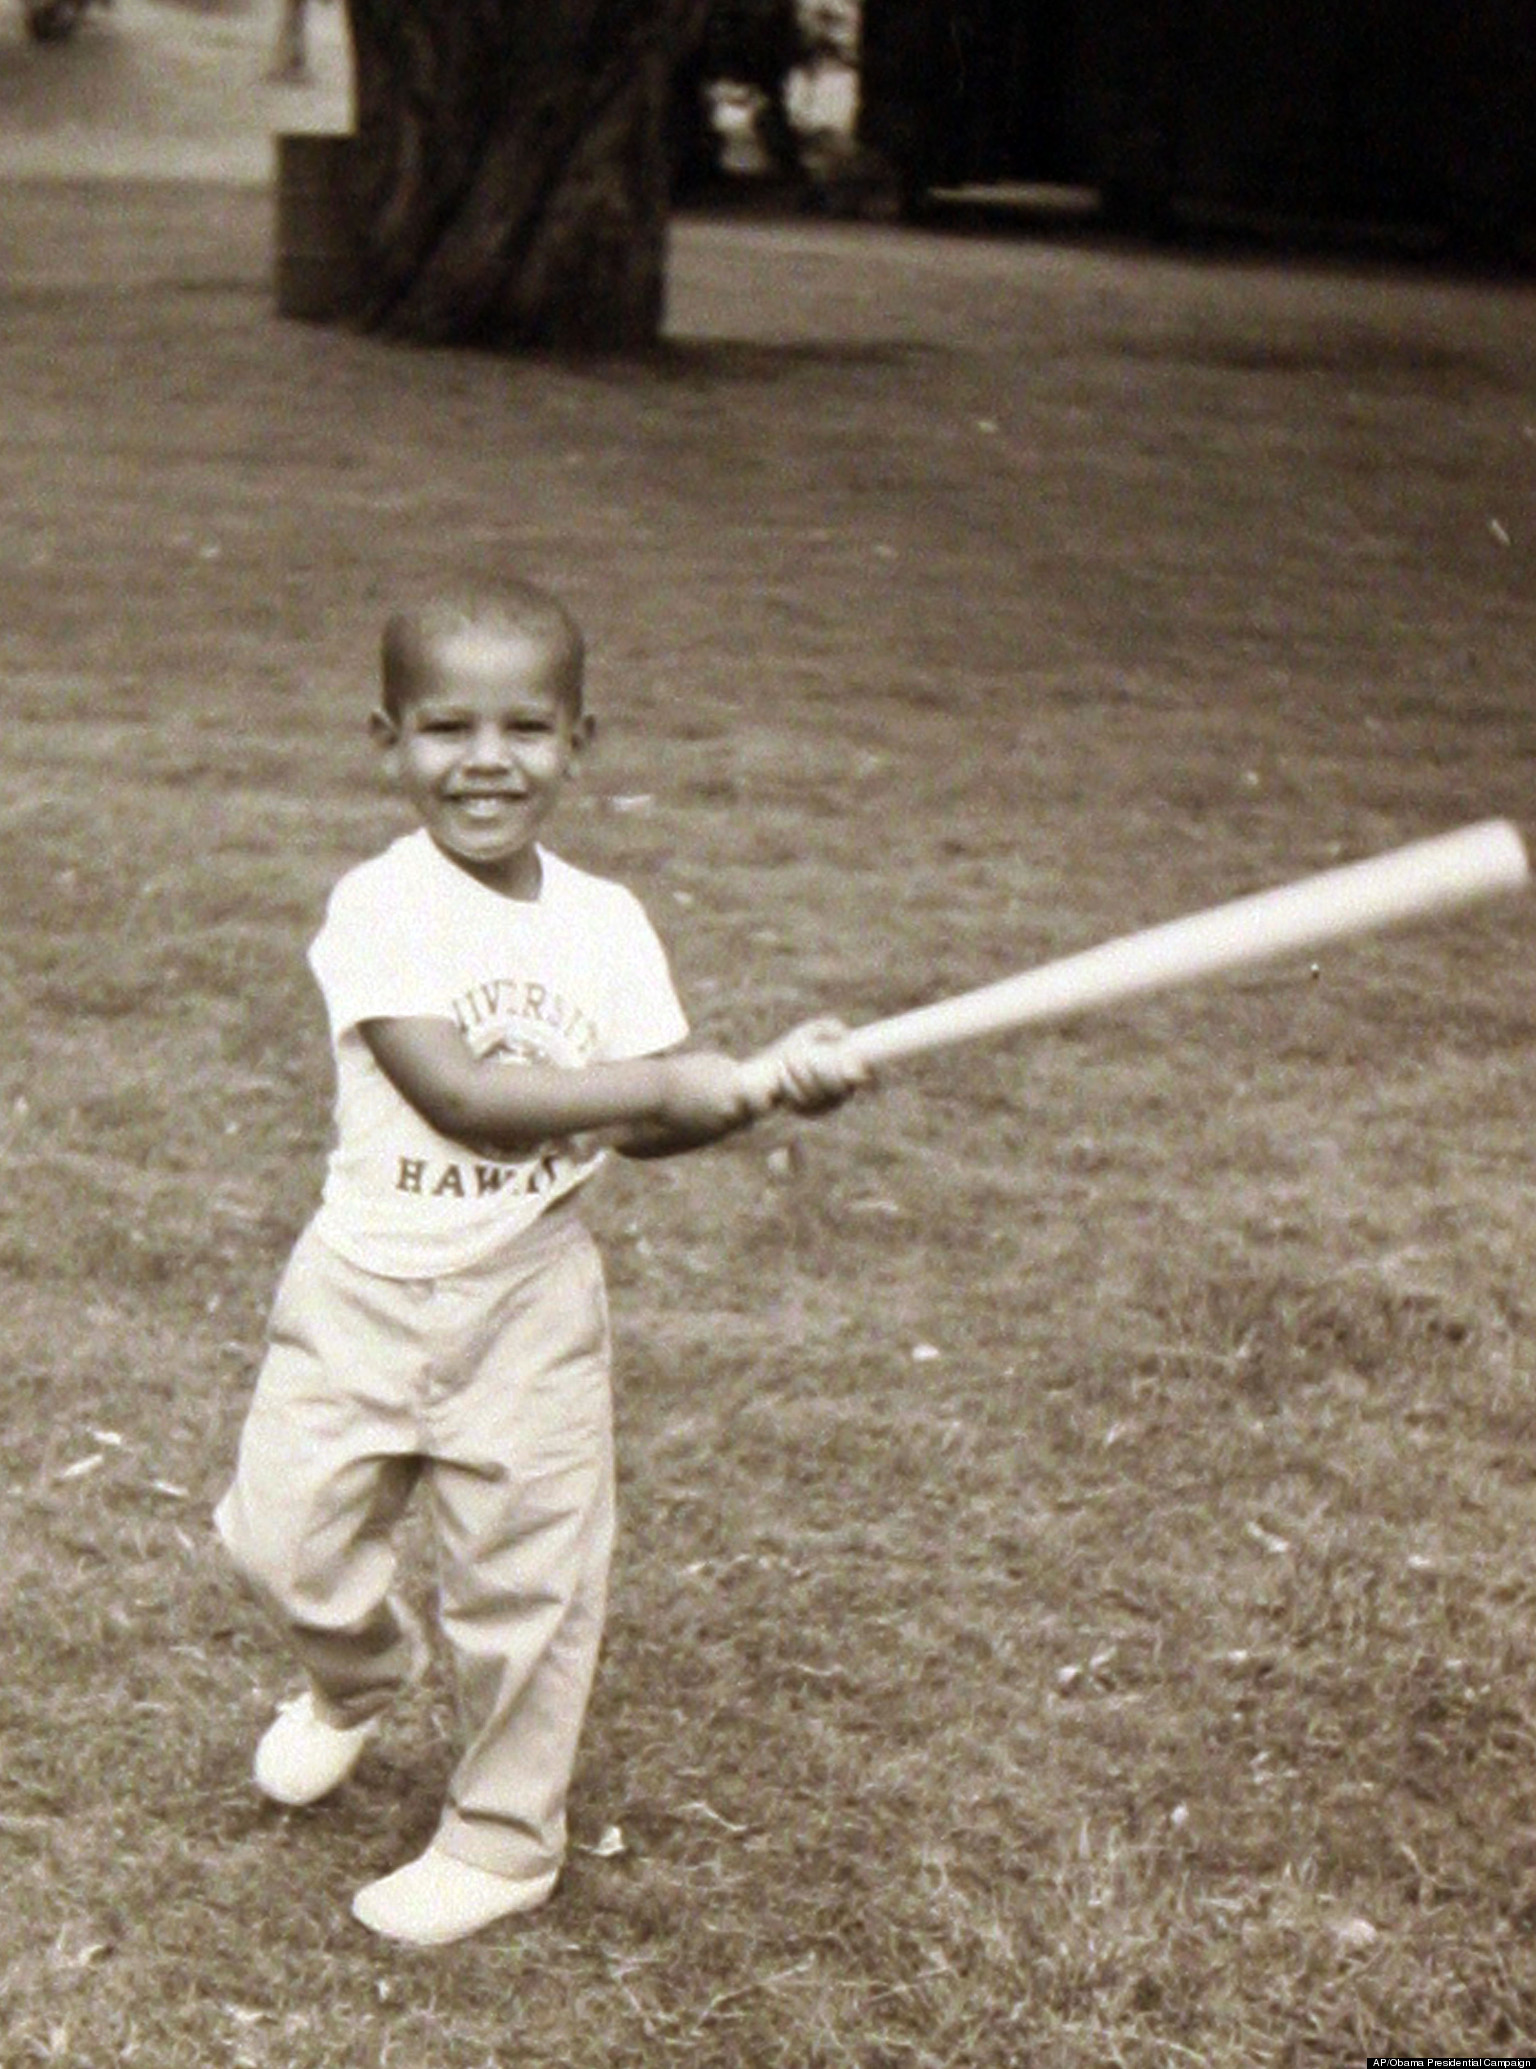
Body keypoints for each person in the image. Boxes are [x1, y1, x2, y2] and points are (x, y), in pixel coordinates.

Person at [215, 585, 866, 1947]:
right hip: (363, 1291)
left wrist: (748, 1096)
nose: (487, 755)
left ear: (582, 739)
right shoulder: (383, 906)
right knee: (282, 1541)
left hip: (529, 1297)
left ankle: (504, 1838)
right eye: (447, 725)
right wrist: (679, 1083)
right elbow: (455, 1090)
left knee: (531, 1582)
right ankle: (357, 1673)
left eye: (527, 724)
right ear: (387, 740)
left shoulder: (608, 923)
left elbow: (641, 1126)